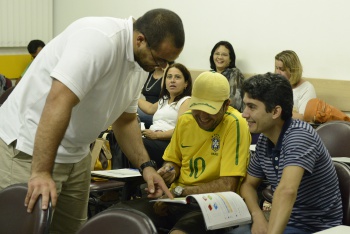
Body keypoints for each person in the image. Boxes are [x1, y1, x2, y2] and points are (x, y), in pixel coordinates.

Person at [0, 8, 184, 233]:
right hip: (29, 150)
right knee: (24, 228)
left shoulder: (140, 61)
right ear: (140, 39)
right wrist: (40, 172)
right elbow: (58, 102)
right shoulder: (98, 39)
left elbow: (125, 121)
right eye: (161, 60)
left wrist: (146, 167)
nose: (163, 68)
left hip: (76, 155)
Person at [114, 71, 251, 233]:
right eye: (198, 108)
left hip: (212, 205)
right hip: (177, 199)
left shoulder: (235, 124)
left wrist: (178, 192)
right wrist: (168, 171)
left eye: (211, 110)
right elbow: (173, 162)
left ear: (226, 104)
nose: (203, 116)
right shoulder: (186, 120)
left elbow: (228, 185)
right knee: (117, 219)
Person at [235, 73, 342, 233]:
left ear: (275, 112)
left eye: (252, 107)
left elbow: (287, 191)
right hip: (284, 218)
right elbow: (248, 185)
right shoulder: (265, 139)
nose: (244, 114)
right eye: (245, 106)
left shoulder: (300, 135)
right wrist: (258, 216)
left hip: (313, 226)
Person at [139, 63, 192, 168]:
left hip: (168, 144)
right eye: (169, 77)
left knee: (137, 144)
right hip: (153, 138)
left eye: (177, 77)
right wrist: (132, 97)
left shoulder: (186, 101)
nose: (172, 80)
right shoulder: (164, 100)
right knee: (122, 141)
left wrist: (156, 135)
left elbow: (180, 130)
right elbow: (149, 108)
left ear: (186, 83)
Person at [275, 50, 316, 120]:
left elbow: (304, 118)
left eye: (282, 69)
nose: (278, 72)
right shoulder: (275, 85)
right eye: (276, 68)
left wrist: (275, 112)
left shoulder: (307, 88)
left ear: (292, 70)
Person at [210, 41, 245, 112]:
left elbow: (235, 103)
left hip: (228, 115)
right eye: (217, 54)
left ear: (230, 59)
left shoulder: (235, 73)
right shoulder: (210, 74)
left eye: (224, 55)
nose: (219, 57)